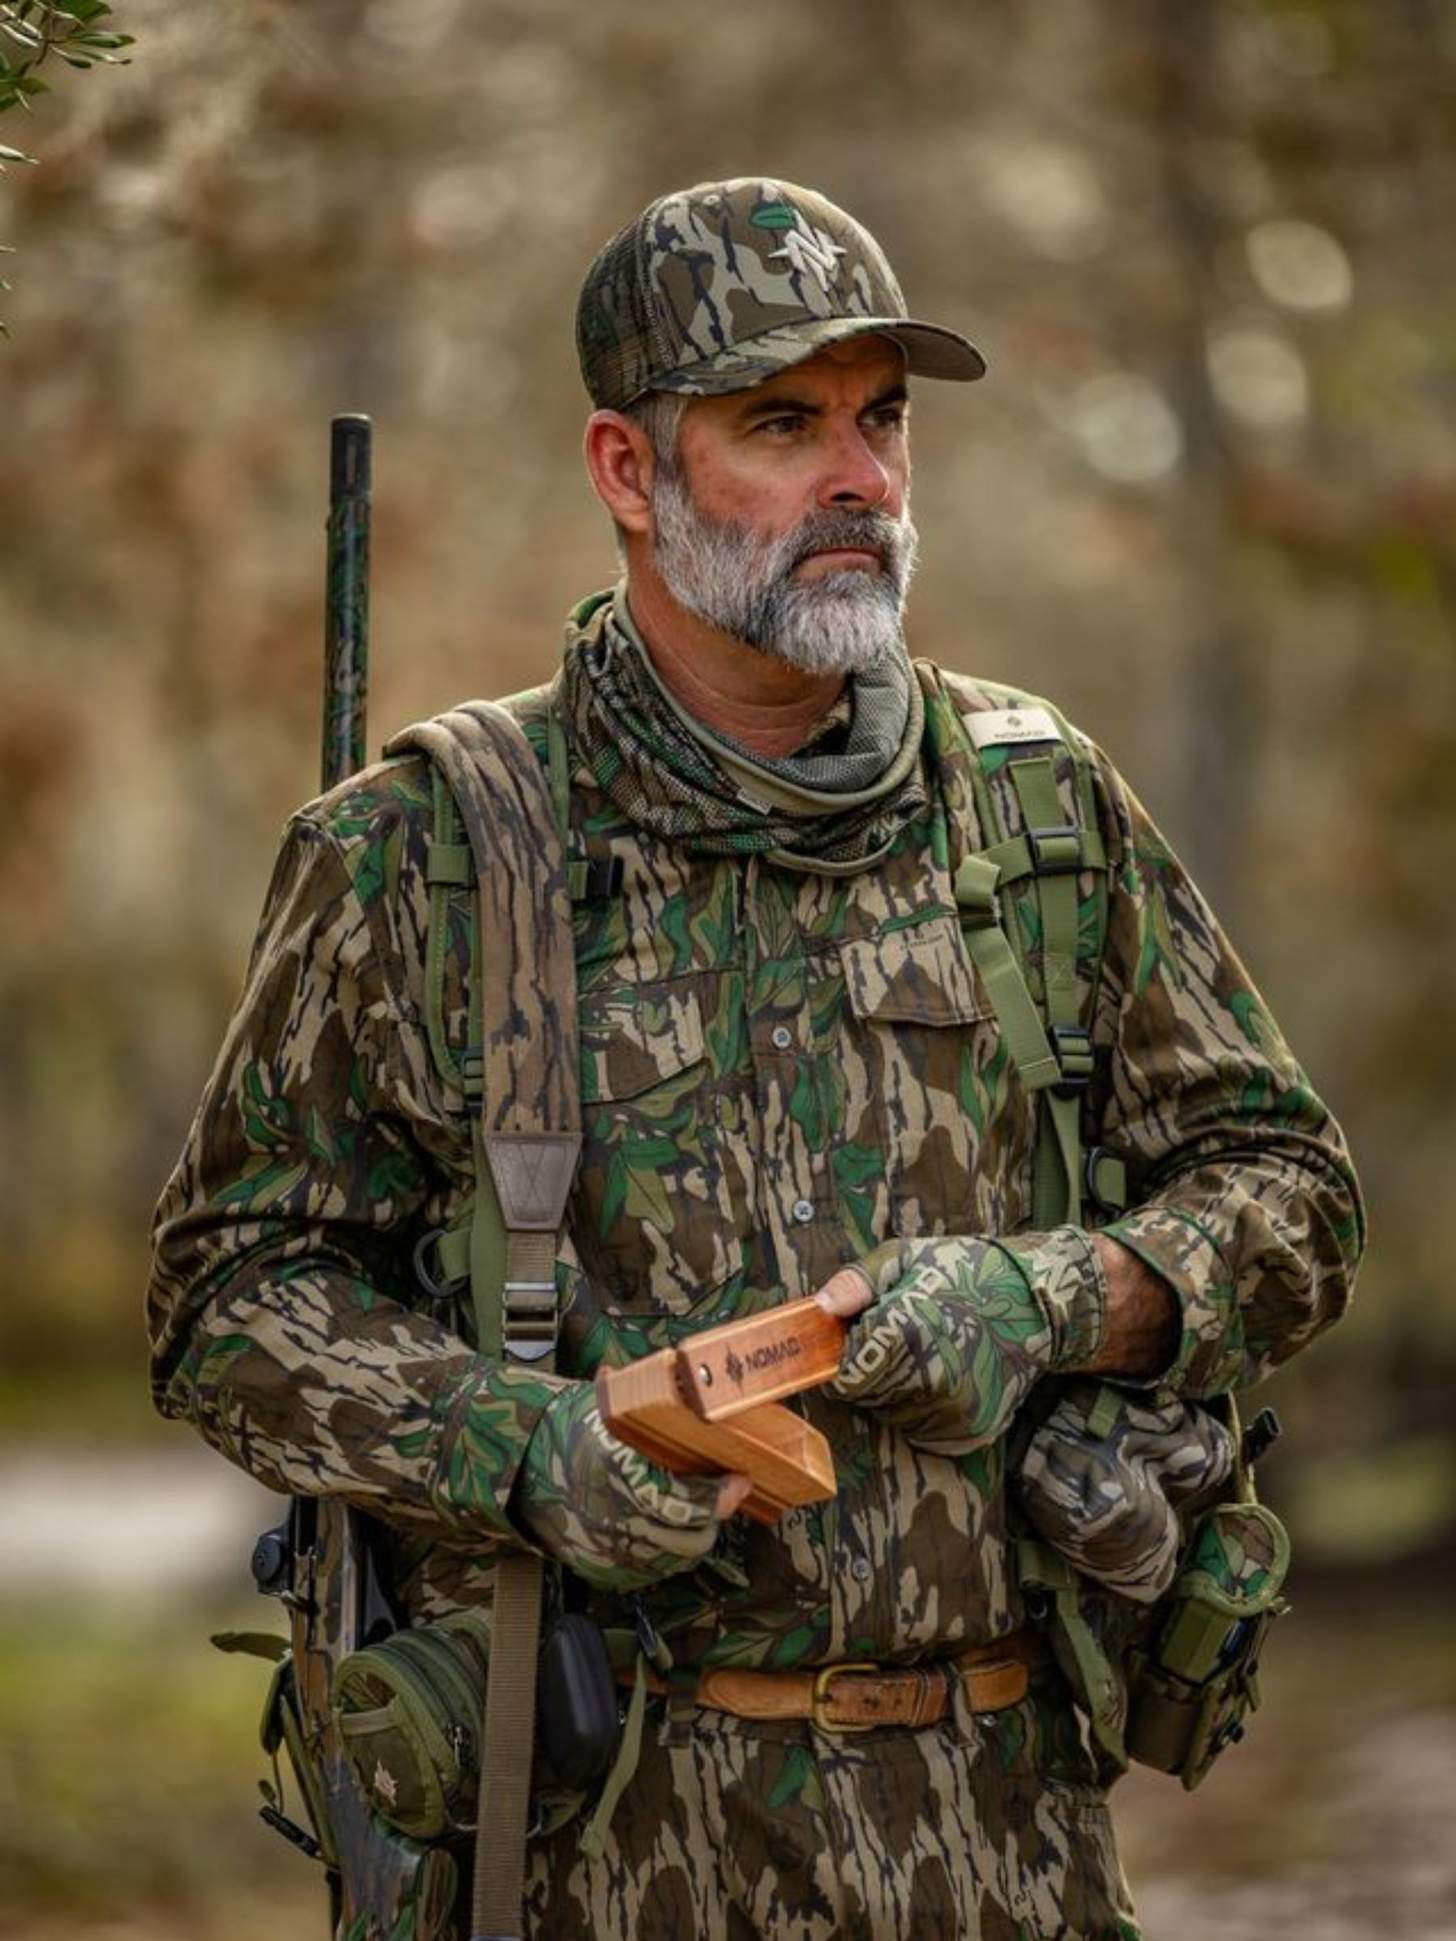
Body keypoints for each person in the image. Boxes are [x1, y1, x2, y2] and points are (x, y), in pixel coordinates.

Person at [147, 177, 1364, 1941]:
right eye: (779, 424)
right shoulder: (427, 851)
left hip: (1000, 1832)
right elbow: (225, 1294)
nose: (857, 475)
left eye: (881, 420)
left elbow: (1295, 1193)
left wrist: (1057, 1295)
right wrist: (528, 1445)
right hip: (586, 1843)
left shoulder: (1037, 810)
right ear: (630, 474)